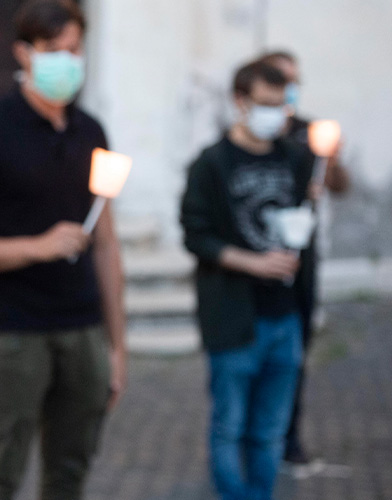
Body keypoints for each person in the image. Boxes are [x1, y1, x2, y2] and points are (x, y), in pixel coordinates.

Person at [0, 1, 127, 497]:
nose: (68, 61)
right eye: (54, 51)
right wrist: (36, 247)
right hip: (11, 333)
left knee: (70, 471)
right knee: (0, 473)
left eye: (75, 50)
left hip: (82, 328)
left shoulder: (92, 131)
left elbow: (106, 244)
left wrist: (118, 345)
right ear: (24, 53)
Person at [180, 60, 310, 500]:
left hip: (285, 317)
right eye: (266, 105)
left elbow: (306, 216)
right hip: (234, 319)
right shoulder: (211, 163)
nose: (276, 115)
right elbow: (195, 235)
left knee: (271, 432)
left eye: (283, 105)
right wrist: (252, 263)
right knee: (229, 427)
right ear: (240, 102)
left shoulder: (294, 157)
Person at [260, 50, 350, 466]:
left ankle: (288, 432)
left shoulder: (311, 132)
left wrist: (331, 161)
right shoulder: (255, 135)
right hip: (257, 260)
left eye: (293, 80)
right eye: (280, 79)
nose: (288, 88)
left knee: (295, 349)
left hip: (302, 262)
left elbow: (339, 185)